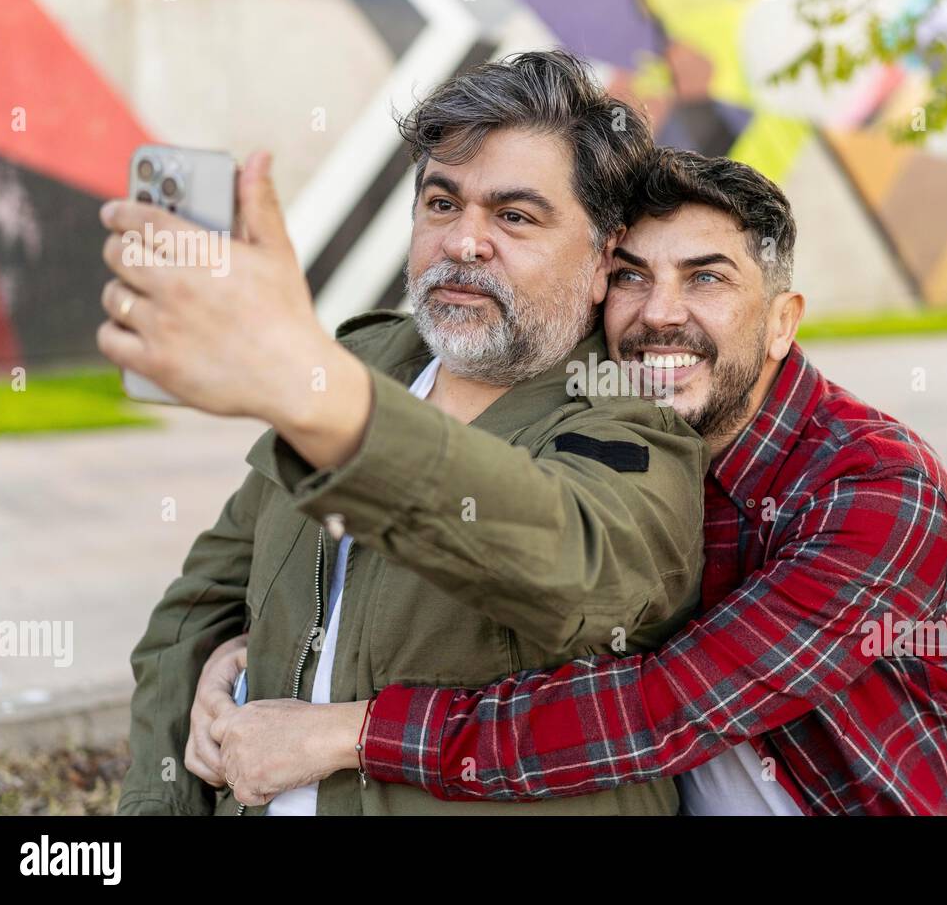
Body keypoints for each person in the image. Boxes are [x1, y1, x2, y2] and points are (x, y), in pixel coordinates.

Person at [193, 148, 947, 815]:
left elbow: (658, 711)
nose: (659, 314)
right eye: (631, 275)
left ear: (780, 323)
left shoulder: (873, 489)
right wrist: (260, 650)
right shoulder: (610, 446)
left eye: (706, 278)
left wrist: (354, 734)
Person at [101, 51, 708, 815]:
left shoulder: (632, 423)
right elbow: (197, 611)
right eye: (442, 203)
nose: (463, 242)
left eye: (514, 216)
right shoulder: (362, 361)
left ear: (602, 260)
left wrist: (322, 403)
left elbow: (572, 565)